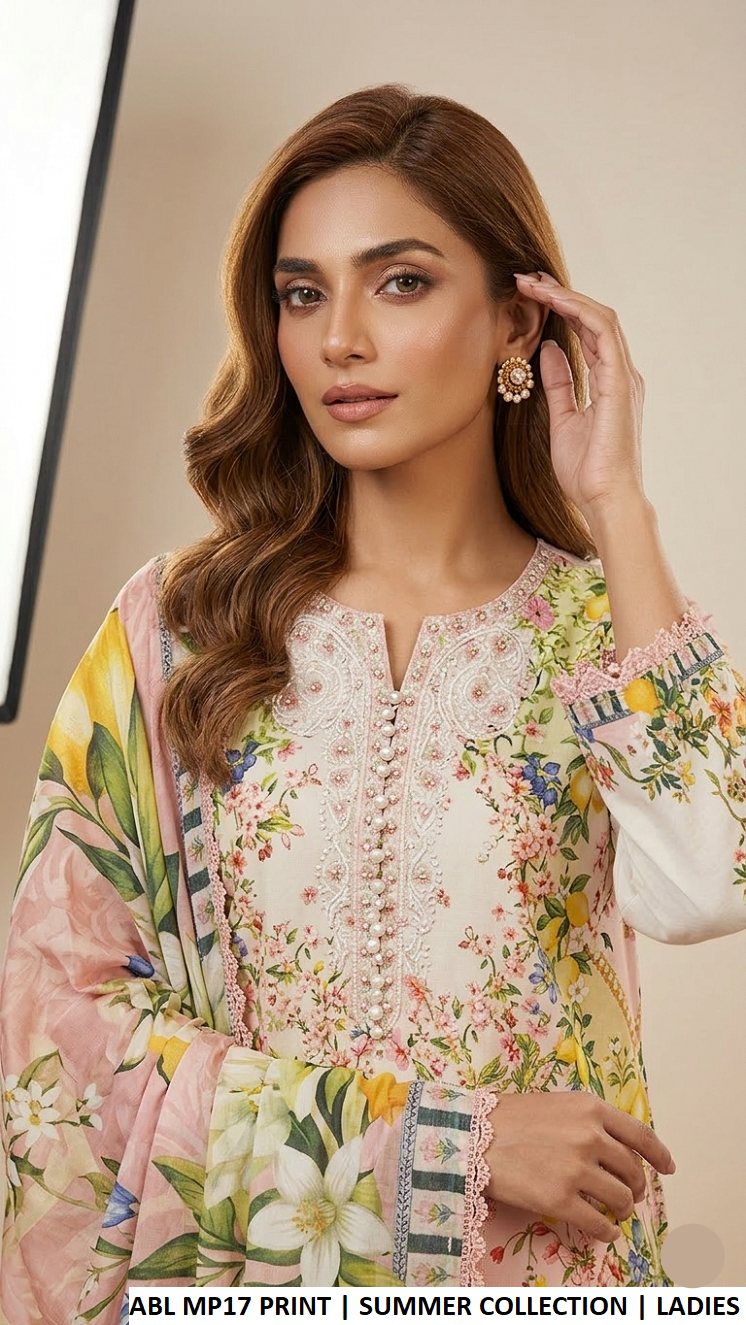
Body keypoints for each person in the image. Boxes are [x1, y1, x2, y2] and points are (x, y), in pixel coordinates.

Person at [1, 83, 745, 1319]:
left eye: (399, 282)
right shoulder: (181, 631)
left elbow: (710, 879)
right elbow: (53, 1023)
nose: (340, 337)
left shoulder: (601, 631)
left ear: (515, 318)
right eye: (303, 293)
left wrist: (616, 505)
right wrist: (444, 1144)